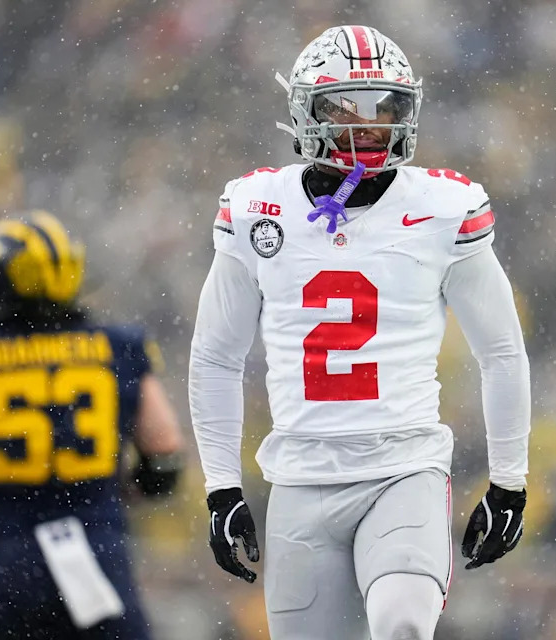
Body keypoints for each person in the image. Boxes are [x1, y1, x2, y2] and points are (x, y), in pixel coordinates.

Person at [189, 25, 531, 640]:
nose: (370, 126)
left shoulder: (442, 208)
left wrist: (510, 479)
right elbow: (216, 355)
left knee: (402, 627)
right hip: (299, 477)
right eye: (349, 107)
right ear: (305, 110)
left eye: (386, 107)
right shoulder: (258, 207)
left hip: (404, 468)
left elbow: (501, 351)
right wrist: (221, 487)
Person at [0, 211, 183, 640]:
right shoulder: (119, 347)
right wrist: (108, 492)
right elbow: (165, 456)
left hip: (6, 564)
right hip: (97, 555)